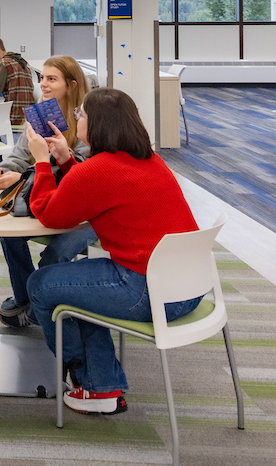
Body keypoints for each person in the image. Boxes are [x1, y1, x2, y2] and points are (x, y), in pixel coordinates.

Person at [26, 88, 200, 416]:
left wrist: (41, 163)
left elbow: (48, 213)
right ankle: (102, 384)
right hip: (187, 287)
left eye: (82, 115)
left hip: (147, 291)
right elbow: (93, 188)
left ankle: (85, 380)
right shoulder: (149, 159)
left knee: (40, 285)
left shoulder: (99, 169)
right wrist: (66, 160)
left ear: (97, 125)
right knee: (80, 287)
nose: (78, 119)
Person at [0, 55, 96, 327]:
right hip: (46, 197)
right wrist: (3, 171)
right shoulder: (41, 113)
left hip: (87, 212)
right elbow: (20, 155)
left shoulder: (87, 118)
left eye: (51, 79)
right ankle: (28, 299)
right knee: (9, 234)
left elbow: (80, 172)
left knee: (54, 254)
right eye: (42, 78)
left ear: (71, 85)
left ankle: (37, 304)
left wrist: (23, 176)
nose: (43, 85)